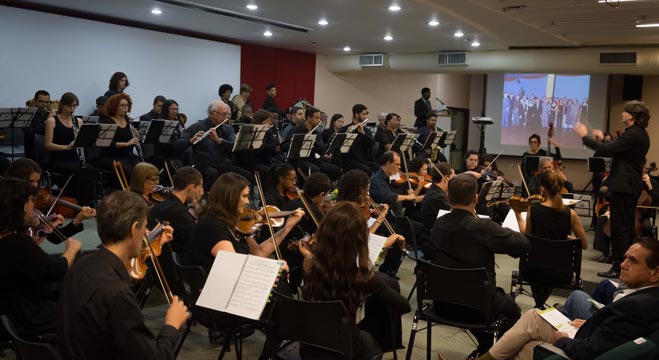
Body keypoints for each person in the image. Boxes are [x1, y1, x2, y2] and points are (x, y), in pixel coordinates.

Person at [57, 190, 188, 359]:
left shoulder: (81, 265)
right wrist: (172, 325)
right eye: (144, 228)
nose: (146, 235)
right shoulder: (117, 294)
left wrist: (157, 244)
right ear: (134, 230)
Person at [478, 240, 659, 360]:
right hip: (585, 326)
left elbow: (590, 351)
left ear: (655, 273)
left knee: (528, 334)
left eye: (633, 261)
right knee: (531, 323)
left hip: (581, 346)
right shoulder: (648, 298)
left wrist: (561, 340)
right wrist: (590, 323)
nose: (623, 264)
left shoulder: (634, 307)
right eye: (625, 257)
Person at [427, 174, 529, 359]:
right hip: (478, 306)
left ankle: (482, 351)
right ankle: (488, 354)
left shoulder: (439, 223)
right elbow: (522, 246)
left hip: (441, 302)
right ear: (475, 198)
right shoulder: (484, 227)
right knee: (512, 311)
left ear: (448, 197)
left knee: (467, 293)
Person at [299, 201, 410, 359]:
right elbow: (403, 306)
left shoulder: (309, 264)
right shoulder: (361, 276)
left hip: (311, 345)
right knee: (375, 327)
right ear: (358, 239)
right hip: (346, 349)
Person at [573, 100, 650, 278]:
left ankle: (618, 266)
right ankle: (627, 264)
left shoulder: (633, 134)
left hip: (625, 186)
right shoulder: (639, 134)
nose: (622, 114)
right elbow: (615, 149)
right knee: (626, 228)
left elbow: (606, 149)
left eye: (625, 112)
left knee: (619, 229)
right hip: (629, 185)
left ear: (631, 116)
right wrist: (601, 139)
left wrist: (585, 136)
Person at [0, 177, 81, 336]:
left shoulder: (8, 237)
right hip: (26, 315)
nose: (34, 205)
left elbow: (30, 261)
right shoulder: (17, 242)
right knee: (85, 311)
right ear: (22, 204)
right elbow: (55, 270)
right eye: (31, 200)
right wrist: (72, 249)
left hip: (8, 308)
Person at [189, 172, 304, 274]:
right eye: (244, 196)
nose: (248, 201)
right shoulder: (212, 225)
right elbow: (234, 266)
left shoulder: (234, 223)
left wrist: (287, 227)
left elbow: (259, 252)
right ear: (230, 197)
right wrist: (272, 269)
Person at [515, 170, 588, 309]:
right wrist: (564, 236)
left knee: (538, 264)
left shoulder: (533, 209)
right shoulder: (570, 214)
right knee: (549, 267)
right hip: (561, 272)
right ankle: (540, 305)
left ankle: (539, 305)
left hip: (533, 270)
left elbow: (527, 236)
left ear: (542, 189)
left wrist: (518, 215)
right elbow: (583, 244)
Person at [4, 158, 95, 245]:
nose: (35, 186)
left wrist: (77, 220)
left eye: (37, 181)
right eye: (31, 181)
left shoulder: (33, 209)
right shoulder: (7, 208)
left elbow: (54, 239)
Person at [175, 100, 250, 191]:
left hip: (220, 163)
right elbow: (179, 142)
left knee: (244, 174)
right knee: (212, 173)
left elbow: (233, 146)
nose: (226, 117)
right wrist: (190, 141)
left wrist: (219, 141)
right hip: (202, 164)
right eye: (223, 114)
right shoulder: (198, 126)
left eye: (227, 114)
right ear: (212, 114)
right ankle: (210, 198)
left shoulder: (228, 128)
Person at [43, 92, 97, 206]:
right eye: (70, 106)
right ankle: (74, 202)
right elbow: (48, 145)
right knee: (78, 172)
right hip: (57, 159)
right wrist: (66, 147)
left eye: (75, 106)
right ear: (62, 105)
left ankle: (87, 202)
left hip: (74, 158)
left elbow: (82, 141)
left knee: (90, 170)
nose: (72, 109)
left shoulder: (78, 121)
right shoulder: (52, 121)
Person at [149, 166, 203, 265]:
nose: (202, 192)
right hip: (180, 267)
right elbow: (198, 239)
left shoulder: (163, 204)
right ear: (191, 188)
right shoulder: (177, 212)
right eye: (200, 187)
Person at [285, 106, 341, 181]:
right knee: (316, 170)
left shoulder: (316, 132)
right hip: (298, 160)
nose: (319, 120)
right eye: (317, 118)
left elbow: (321, 150)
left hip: (312, 159)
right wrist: (302, 140)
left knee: (335, 169)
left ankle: (328, 190)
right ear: (309, 118)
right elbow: (284, 146)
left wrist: (313, 141)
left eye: (319, 118)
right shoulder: (297, 130)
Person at [97, 93, 141, 181]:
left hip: (127, 156)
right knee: (127, 171)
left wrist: (136, 136)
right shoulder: (108, 122)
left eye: (127, 105)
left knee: (142, 167)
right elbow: (107, 144)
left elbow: (132, 139)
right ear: (115, 107)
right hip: (110, 157)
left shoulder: (128, 121)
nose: (126, 108)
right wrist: (127, 144)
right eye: (123, 105)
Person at [369, 151, 416, 218]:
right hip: (383, 217)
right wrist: (406, 197)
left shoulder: (391, 176)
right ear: (388, 164)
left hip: (394, 214)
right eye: (397, 164)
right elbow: (387, 197)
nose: (399, 167)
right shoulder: (377, 180)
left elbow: (399, 191)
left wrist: (408, 190)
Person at [419, 161, 454, 246]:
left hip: (431, 237)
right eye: (452, 178)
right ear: (445, 178)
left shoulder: (434, 191)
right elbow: (455, 213)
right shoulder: (438, 197)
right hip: (432, 242)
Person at [340, 104, 378, 174]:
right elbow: (340, 148)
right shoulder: (344, 129)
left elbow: (372, 144)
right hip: (350, 160)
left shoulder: (366, 130)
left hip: (364, 160)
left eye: (366, 114)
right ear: (356, 114)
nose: (365, 116)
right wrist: (347, 133)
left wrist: (363, 134)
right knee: (367, 170)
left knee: (379, 168)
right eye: (363, 114)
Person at [24, 90, 54, 161]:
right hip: (34, 149)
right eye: (41, 101)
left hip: (50, 149)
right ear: (35, 101)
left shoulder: (50, 114)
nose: (44, 105)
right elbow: (29, 135)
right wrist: (47, 121)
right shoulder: (28, 115)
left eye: (47, 102)